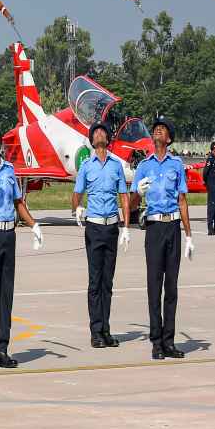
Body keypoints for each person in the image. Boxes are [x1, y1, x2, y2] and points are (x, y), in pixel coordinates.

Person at [0, 125, 44, 370]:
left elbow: (18, 202)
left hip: (8, 233)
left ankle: (3, 347)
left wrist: (34, 225)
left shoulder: (10, 170)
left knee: (6, 294)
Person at [131, 117, 194, 360]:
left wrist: (188, 235)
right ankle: (156, 341)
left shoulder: (176, 164)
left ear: (168, 138)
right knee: (154, 286)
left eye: (163, 129)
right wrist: (139, 192)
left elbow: (182, 200)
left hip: (173, 226)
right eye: (156, 128)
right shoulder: (144, 167)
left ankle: (169, 340)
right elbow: (133, 202)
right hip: (155, 227)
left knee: (172, 288)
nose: (158, 130)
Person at [71, 122, 130, 348]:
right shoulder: (86, 166)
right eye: (95, 132)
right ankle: (96, 331)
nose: (99, 133)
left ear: (107, 137)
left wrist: (125, 226)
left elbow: (123, 196)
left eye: (102, 131)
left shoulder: (116, 166)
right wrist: (77, 207)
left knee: (108, 282)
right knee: (95, 281)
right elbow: (77, 194)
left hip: (111, 226)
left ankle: (106, 329)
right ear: (91, 140)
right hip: (94, 227)